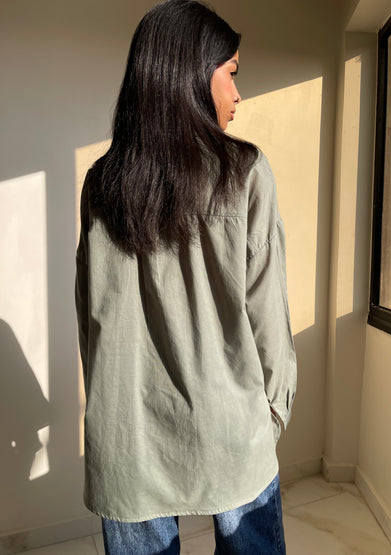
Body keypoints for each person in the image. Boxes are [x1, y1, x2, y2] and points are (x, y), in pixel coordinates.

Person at [75, 0, 297, 553]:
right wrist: (273, 412)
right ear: (192, 74)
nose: (237, 94)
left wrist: (106, 406)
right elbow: (268, 312)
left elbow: (89, 318)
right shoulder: (245, 173)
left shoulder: (101, 185)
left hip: (127, 436)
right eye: (231, 73)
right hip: (231, 429)